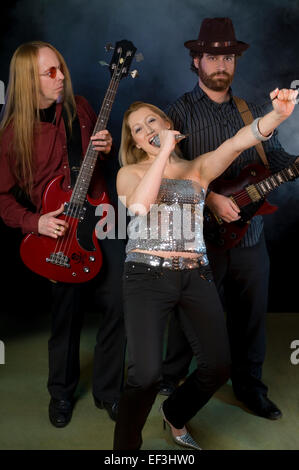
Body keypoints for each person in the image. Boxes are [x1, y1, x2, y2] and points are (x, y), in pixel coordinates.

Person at [113, 89, 297, 450]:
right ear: (134, 141)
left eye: (152, 120)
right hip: (146, 277)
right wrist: (164, 152)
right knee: (145, 375)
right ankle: (125, 451)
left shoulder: (198, 169)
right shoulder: (129, 173)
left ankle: (175, 414)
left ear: (168, 124)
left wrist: (278, 115)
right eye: (137, 128)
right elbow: (139, 206)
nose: (146, 128)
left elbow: (238, 141)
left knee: (217, 367)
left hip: (196, 275)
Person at [160, 17, 299, 420]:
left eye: (228, 57)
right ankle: (170, 378)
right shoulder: (179, 112)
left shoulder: (253, 109)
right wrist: (211, 199)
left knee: (251, 317)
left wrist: (294, 163)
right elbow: (168, 174)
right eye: (213, 56)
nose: (221, 64)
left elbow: (272, 161)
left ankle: (250, 388)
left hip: (251, 235)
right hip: (200, 237)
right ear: (196, 60)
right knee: (189, 312)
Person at [0, 41, 126, 427]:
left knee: (122, 299)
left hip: (101, 221)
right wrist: (34, 223)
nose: (61, 78)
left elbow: (98, 162)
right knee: (65, 317)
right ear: (26, 81)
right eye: (49, 72)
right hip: (59, 234)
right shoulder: (10, 135)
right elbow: (2, 197)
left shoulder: (81, 108)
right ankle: (61, 393)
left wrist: (105, 147)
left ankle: (109, 391)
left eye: (61, 69)